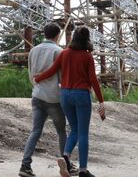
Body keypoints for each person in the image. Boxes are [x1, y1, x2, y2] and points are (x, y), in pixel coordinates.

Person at [35, 26, 105, 177]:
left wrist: (38, 78)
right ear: (87, 39)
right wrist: (101, 101)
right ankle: (83, 170)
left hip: (65, 95)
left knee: (74, 129)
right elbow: (93, 80)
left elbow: (52, 70)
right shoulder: (87, 56)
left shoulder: (64, 53)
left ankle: (65, 157)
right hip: (81, 95)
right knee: (83, 134)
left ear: (73, 37)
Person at [19, 23, 74, 177]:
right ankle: (67, 164)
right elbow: (63, 78)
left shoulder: (33, 51)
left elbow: (32, 76)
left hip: (37, 95)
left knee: (35, 131)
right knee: (62, 132)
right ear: (58, 35)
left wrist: (38, 86)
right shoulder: (58, 51)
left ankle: (25, 165)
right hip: (53, 98)